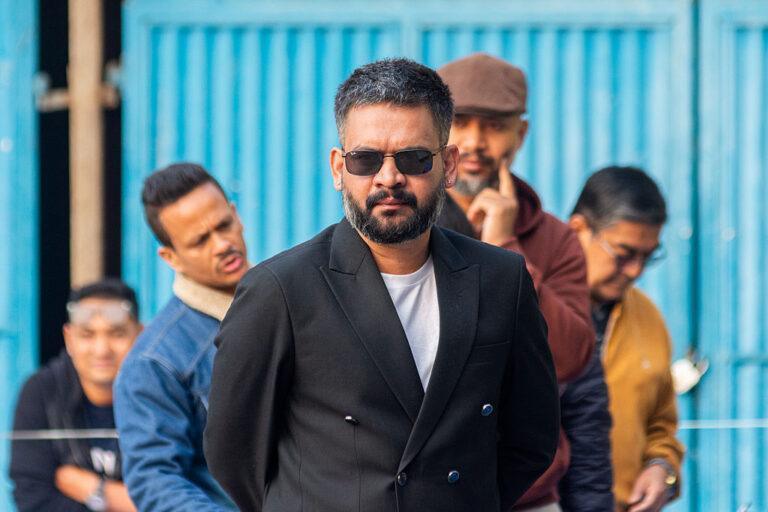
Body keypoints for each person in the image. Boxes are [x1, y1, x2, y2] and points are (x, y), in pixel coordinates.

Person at [204, 58, 560, 512]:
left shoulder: (500, 279)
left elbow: (532, 436)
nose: (389, 178)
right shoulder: (281, 289)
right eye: (365, 159)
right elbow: (233, 452)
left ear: (448, 165)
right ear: (338, 168)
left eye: (414, 159)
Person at [437, 52, 596, 511]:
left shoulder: (555, 240)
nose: (474, 142)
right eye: (460, 123)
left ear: (519, 135)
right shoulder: (403, 229)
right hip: (423, 493)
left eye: (493, 126)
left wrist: (506, 250)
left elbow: (569, 358)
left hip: (528, 496)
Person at [114, 163, 247, 511]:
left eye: (224, 225)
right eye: (200, 240)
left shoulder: (291, 301)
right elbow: (154, 481)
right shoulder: (155, 363)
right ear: (170, 257)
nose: (222, 245)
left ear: (236, 216)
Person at [566, 166, 684, 511]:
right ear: (577, 230)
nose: (636, 271)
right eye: (624, 254)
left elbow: (661, 424)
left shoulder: (649, 319)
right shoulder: (526, 305)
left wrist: (662, 468)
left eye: (648, 256)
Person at [10, 279, 140, 512]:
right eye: (87, 335)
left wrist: (97, 490)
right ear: (69, 339)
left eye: (117, 334)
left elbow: (175, 495)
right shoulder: (42, 391)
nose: (102, 350)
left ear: (140, 335)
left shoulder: (162, 393)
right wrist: (126, 502)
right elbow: (32, 498)